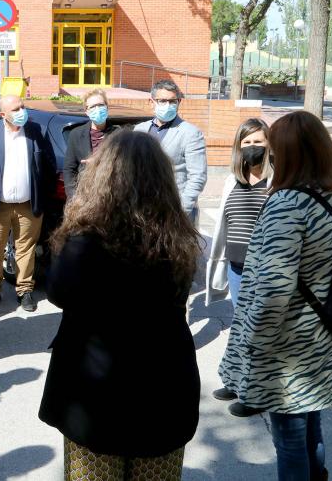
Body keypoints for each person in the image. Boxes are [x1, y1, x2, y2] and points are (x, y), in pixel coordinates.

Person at [39, 130, 200, 481]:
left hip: (94, 392)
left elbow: (57, 293)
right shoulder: (178, 237)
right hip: (163, 386)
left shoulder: (83, 239)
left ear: (101, 176)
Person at [219, 111, 332, 481]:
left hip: (287, 347)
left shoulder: (287, 204)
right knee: (312, 427)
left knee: (291, 439)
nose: (268, 155)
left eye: (273, 148)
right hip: (324, 333)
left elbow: (273, 292)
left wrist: (252, 350)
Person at [206, 118, 274, 415]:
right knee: (241, 326)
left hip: (265, 268)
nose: (252, 147)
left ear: (269, 144)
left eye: (258, 141)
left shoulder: (279, 180)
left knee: (258, 329)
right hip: (236, 265)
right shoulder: (233, 180)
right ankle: (236, 380)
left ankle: (256, 394)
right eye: (246, 143)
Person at [0, 95, 57, 312]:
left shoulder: (35, 131)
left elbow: (48, 166)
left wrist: (43, 198)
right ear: (3, 115)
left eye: (23, 107)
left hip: (28, 205)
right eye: (15, 109)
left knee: (26, 249)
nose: (22, 112)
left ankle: (24, 290)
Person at [134, 79, 207, 223]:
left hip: (174, 212)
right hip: (141, 210)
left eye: (173, 101)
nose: (168, 105)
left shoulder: (190, 133)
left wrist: (181, 210)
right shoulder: (139, 130)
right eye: (162, 100)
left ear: (179, 102)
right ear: (151, 102)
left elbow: (198, 176)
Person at [63, 89, 116, 200]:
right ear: (86, 111)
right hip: (83, 198)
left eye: (101, 105)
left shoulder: (119, 135)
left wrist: (100, 163)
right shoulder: (76, 134)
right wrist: (74, 197)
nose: (97, 109)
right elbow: (69, 169)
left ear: (107, 107)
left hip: (111, 198)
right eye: (93, 106)